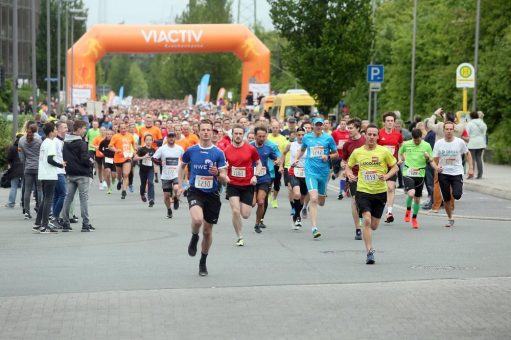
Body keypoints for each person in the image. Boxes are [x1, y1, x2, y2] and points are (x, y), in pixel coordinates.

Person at [178, 119, 228, 276]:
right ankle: (194, 237)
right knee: (198, 220)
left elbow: (224, 178)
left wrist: (217, 173)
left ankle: (203, 261)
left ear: (212, 132)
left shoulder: (218, 153)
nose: (206, 132)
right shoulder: (191, 150)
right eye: (203, 129)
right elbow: (182, 166)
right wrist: (180, 185)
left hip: (212, 194)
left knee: (207, 232)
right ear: (198, 131)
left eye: (209, 130)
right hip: (195, 191)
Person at [346, 124, 399, 264]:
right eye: (369, 134)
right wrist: (349, 174)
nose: (371, 137)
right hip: (363, 191)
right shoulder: (358, 152)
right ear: (365, 135)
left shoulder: (384, 151)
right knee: (367, 220)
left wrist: (387, 176)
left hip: (380, 192)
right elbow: (348, 165)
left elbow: (395, 167)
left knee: (374, 225)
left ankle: (369, 238)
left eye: (374, 135)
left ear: (377, 137)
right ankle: (370, 251)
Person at [293, 117, 338, 239]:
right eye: (316, 125)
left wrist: (328, 156)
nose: (318, 127)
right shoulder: (307, 137)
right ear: (313, 126)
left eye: (320, 125)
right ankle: (314, 228)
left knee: (321, 202)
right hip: (310, 172)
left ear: (323, 126)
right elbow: (302, 150)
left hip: (323, 173)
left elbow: (336, 154)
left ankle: (320, 197)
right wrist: (296, 158)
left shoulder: (328, 138)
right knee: (313, 198)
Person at [224, 124, 262, 246]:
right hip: (233, 184)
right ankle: (239, 236)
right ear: (232, 134)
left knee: (245, 215)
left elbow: (258, 163)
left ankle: (241, 213)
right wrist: (225, 176)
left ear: (243, 135)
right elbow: (223, 167)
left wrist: (255, 175)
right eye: (236, 133)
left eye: (240, 134)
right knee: (235, 211)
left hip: (247, 185)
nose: (238, 136)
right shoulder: (226, 150)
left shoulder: (250, 149)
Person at [433, 121, 474, 228]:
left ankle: (456, 190)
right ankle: (450, 218)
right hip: (443, 173)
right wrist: (436, 168)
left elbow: (467, 154)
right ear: (444, 130)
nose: (449, 131)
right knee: (446, 198)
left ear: (454, 130)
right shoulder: (439, 143)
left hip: (456, 172)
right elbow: (434, 159)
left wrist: (471, 168)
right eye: (447, 129)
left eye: (451, 129)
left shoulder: (459, 142)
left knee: (457, 195)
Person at [61, 120, 94, 232]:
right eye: (84, 128)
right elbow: (85, 158)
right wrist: (91, 162)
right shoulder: (81, 143)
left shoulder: (66, 142)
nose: (85, 130)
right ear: (79, 129)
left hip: (70, 174)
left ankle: (65, 223)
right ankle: (85, 224)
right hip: (82, 175)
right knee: (83, 199)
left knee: (68, 198)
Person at [398, 128, 434, 229]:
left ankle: (414, 218)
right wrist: (402, 158)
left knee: (417, 200)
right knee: (411, 193)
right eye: (415, 140)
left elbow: (431, 159)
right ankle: (408, 210)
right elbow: (400, 153)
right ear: (412, 138)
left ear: (421, 137)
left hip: (420, 174)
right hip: (408, 172)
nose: (416, 142)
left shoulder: (426, 145)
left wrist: (427, 157)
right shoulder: (406, 144)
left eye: (418, 140)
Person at [33, 122, 65, 233]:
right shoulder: (51, 143)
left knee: (45, 199)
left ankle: (38, 223)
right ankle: (44, 225)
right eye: (55, 130)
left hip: (43, 173)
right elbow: (50, 159)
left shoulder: (44, 142)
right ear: (51, 132)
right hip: (49, 174)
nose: (57, 131)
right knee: (48, 200)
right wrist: (61, 165)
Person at [250, 125, 280, 234]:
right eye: (259, 136)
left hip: (264, 178)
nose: (262, 138)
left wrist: (277, 161)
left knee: (261, 202)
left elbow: (276, 158)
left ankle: (257, 223)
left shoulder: (268, 148)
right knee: (253, 203)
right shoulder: (249, 147)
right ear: (255, 136)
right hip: (251, 178)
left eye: (264, 136)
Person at [341, 118, 366, 240]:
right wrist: (344, 165)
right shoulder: (347, 144)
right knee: (355, 200)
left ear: (358, 128)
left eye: (351, 128)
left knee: (365, 201)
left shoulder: (366, 141)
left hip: (367, 176)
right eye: (348, 128)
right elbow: (344, 160)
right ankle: (358, 229)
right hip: (353, 176)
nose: (348, 130)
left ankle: (364, 218)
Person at [378, 112, 403, 223]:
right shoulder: (379, 133)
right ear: (384, 122)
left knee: (391, 188)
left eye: (391, 121)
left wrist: (401, 158)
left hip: (392, 166)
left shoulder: (398, 135)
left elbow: (401, 148)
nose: (389, 123)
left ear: (394, 122)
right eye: (387, 121)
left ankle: (389, 212)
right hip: (379, 166)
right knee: (379, 190)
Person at [153, 131, 185, 218]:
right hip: (166, 175)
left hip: (176, 173)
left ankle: (176, 199)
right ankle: (169, 210)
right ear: (167, 138)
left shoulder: (179, 148)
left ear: (175, 138)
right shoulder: (162, 149)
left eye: (173, 137)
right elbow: (154, 158)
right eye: (170, 137)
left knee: (176, 188)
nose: (171, 138)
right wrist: (160, 162)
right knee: (166, 195)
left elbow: (185, 158)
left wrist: (183, 167)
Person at [284, 127, 308, 230]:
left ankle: (296, 213)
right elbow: (284, 153)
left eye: (303, 135)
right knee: (296, 194)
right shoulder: (291, 144)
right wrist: (281, 165)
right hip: (294, 171)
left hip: (306, 173)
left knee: (302, 197)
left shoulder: (309, 146)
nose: (301, 137)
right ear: (296, 135)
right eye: (299, 135)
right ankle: (298, 217)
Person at [18, 123, 42, 219]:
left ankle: (27, 212)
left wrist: (25, 163)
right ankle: (40, 209)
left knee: (27, 190)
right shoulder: (39, 140)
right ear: (36, 130)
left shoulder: (22, 140)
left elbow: (21, 157)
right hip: (38, 167)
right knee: (39, 189)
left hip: (28, 167)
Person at [109, 123, 137, 199]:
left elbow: (134, 144)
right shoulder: (115, 136)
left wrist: (135, 150)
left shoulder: (130, 136)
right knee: (119, 175)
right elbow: (110, 146)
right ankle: (119, 181)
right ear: (119, 129)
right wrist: (115, 150)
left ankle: (124, 191)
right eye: (122, 128)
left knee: (125, 174)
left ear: (127, 128)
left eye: (125, 128)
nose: (123, 130)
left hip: (127, 157)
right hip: (118, 158)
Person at [50, 121, 68, 228]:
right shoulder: (56, 141)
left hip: (59, 170)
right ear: (58, 129)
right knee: (63, 194)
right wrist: (61, 164)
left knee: (57, 196)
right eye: (64, 127)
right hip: (58, 171)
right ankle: (54, 217)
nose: (66, 129)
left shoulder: (60, 141)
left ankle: (54, 218)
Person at [267, 120, 289, 208]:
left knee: (276, 182)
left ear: (279, 128)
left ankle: (275, 199)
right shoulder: (267, 137)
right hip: (268, 163)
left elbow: (284, 153)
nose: (275, 129)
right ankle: (268, 195)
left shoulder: (283, 138)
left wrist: (282, 164)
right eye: (273, 127)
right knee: (268, 182)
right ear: (270, 128)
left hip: (278, 163)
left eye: (277, 128)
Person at [133, 134, 156, 206]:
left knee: (150, 182)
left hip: (150, 169)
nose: (149, 141)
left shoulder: (153, 150)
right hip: (143, 169)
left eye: (150, 140)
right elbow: (135, 158)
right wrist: (144, 157)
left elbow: (156, 159)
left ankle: (151, 199)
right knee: (143, 183)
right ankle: (142, 194)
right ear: (145, 141)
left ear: (152, 141)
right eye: (147, 140)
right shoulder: (141, 149)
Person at [331, 119, 350, 200]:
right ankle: (334, 175)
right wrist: (337, 147)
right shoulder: (335, 133)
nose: (343, 125)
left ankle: (341, 191)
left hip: (345, 157)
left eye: (344, 124)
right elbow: (330, 143)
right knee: (337, 174)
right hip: (336, 156)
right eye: (341, 124)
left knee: (343, 175)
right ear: (339, 124)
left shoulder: (348, 133)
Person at [466, 111, 487, 179]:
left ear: (471, 116)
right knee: (479, 158)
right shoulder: (482, 123)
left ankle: (471, 174)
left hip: (472, 143)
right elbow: (484, 132)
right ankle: (480, 174)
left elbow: (467, 133)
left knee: (472, 159)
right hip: (481, 143)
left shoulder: (470, 123)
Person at [4, 134, 24, 208]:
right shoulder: (25, 146)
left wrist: (11, 163)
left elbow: (9, 158)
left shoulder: (12, 148)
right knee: (23, 187)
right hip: (24, 168)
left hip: (14, 169)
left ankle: (11, 203)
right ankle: (23, 202)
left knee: (13, 187)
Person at [98, 130, 117, 194]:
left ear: (112, 135)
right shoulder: (103, 142)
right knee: (108, 173)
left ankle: (114, 179)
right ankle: (109, 188)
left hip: (114, 159)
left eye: (110, 134)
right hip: (106, 158)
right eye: (108, 134)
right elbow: (100, 148)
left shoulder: (115, 142)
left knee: (114, 175)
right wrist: (104, 153)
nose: (109, 135)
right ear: (106, 135)